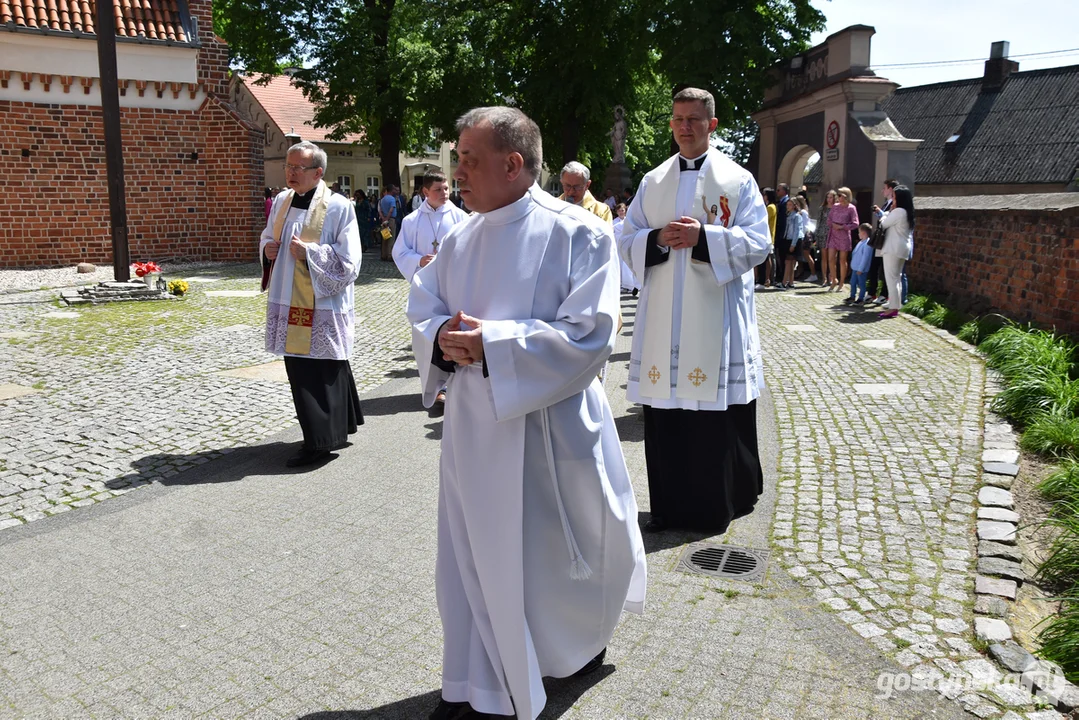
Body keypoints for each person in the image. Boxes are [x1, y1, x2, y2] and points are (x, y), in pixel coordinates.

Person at [407, 106, 646, 720]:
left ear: (513, 164)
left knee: (553, 553)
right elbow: (423, 305)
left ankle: (563, 654)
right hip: (473, 428)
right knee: (472, 554)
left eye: (470, 159)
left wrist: (496, 343)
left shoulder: (578, 232)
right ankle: (482, 673)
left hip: (548, 430)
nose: (456, 171)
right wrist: (439, 337)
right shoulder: (458, 237)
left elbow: (592, 336)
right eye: (457, 157)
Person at [619, 87, 770, 533]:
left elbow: (759, 243)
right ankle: (668, 508)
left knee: (714, 417)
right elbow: (626, 241)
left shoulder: (738, 180)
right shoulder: (653, 181)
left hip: (714, 317)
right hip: (664, 316)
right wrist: (657, 239)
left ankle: (713, 507)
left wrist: (704, 238)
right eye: (678, 119)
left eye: (695, 119)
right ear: (671, 123)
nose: (685, 126)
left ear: (712, 125)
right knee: (666, 418)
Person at [260, 141, 364, 467]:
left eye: (298, 168)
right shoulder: (281, 201)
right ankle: (337, 427)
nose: (290, 172)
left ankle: (320, 442)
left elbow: (350, 261)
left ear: (318, 172)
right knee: (303, 367)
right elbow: (267, 236)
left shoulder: (337, 206)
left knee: (324, 366)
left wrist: (309, 253)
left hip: (321, 302)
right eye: (288, 166)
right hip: (287, 298)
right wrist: (268, 250)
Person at [393, 170, 470, 283]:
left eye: (446, 188)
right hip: (424, 279)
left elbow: (470, 250)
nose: (444, 193)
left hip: (452, 280)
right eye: (438, 190)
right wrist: (419, 260)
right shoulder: (411, 221)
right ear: (426, 192)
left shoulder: (461, 218)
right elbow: (400, 252)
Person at [874, 185, 914, 319]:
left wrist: (884, 214)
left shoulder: (898, 211)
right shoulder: (907, 212)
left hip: (893, 248)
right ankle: (895, 305)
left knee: (891, 278)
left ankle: (893, 308)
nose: (893, 198)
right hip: (902, 248)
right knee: (896, 278)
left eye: (895, 196)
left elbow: (883, 224)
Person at [866, 179, 897, 305]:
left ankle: (885, 294)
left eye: (884, 188)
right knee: (874, 266)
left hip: (887, 239)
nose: (882, 191)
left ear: (890, 189)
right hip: (880, 239)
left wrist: (880, 213)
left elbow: (890, 218)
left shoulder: (895, 204)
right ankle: (872, 292)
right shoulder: (886, 203)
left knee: (885, 268)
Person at [826, 187, 858, 292]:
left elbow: (855, 223)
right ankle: (834, 279)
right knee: (831, 258)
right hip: (833, 234)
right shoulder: (835, 207)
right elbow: (829, 219)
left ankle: (842, 282)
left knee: (842, 260)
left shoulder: (851, 208)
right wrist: (833, 225)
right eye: (838, 196)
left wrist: (843, 227)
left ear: (846, 196)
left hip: (844, 235)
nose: (839, 198)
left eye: (840, 196)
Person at [844, 223, 874, 305]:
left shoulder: (867, 244)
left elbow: (865, 258)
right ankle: (852, 296)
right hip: (855, 267)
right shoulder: (861, 242)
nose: (858, 234)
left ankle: (861, 298)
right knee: (853, 282)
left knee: (861, 284)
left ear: (864, 233)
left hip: (861, 269)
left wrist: (861, 269)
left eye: (859, 232)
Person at [754, 187, 776, 291]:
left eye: (764, 194)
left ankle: (764, 280)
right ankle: (764, 279)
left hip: (767, 236)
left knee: (765, 259)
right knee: (765, 259)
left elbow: (762, 219)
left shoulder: (770, 207)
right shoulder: (768, 206)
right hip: (764, 236)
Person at [612, 202, 637, 294]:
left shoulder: (629, 220)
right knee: (619, 264)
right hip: (618, 244)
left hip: (627, 244)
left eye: (622, 210)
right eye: (619, 211)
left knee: (627, 264)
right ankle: (621, 284)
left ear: (625, 211)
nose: (621, 212)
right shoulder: (614, 221)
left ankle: (630, 285)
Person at [780, 196, 803, 289]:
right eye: (787, 205)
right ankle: (791, 282)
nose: (788, 206)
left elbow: (797, 231)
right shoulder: (789, 215)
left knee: (788, 262)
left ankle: (784, 282)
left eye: (790, 205)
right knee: (790, 262)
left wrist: (793, 244)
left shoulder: (797, 216)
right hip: (788, 239)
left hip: (794, 240)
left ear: (794, 206)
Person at [815, 190, 836, 287]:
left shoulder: (836, 208)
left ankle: (831, 277)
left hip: (833, 234)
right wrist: (817, 235)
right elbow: (818, 222)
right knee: (824, 257)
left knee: (832, 258)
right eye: (828, 197)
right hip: (823, 234)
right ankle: (824, 278)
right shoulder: (822, 208)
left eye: (831, 197)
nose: (829, 199)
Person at [795, 195, 816, 282]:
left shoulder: (803, 212)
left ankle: (813, 274)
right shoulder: (802, 211)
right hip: (803, 235)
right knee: (800, 256)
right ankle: (800, 271)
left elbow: (804, 225)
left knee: (807, 255)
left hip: (805, 235)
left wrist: (802, 237)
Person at [773, 183, 789, 287]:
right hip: (779, 233)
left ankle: (783, 277)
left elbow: (784, 221)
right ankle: (780, 275)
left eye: (778, 190)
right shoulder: (780, 202)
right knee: (779, 255)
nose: (777, 192)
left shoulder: (787, 202)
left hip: (784, 234)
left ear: (784, 191)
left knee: (783, 257)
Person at [378, 187, 398, 260]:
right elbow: (391, 209)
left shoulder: (382, 200)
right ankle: (390, 255)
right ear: (391, 191)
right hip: (391, 219)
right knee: (391, 238)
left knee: (385, 237)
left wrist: (383, 218)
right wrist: (387, 218)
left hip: (383, 220)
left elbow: (380, 210)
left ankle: (384, 254)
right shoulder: (392, 199)